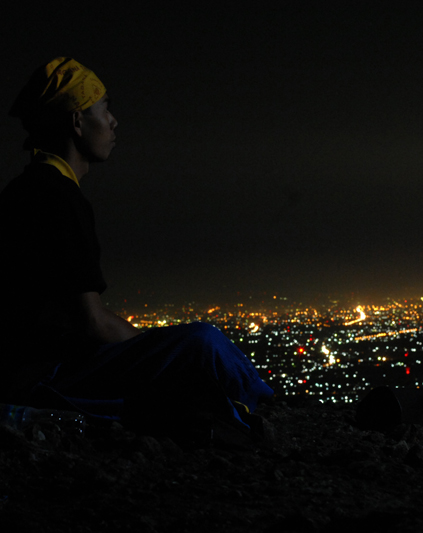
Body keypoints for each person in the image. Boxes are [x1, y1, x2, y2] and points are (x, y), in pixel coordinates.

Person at [0, 58, 273, 438]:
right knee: (202, 341)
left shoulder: (26, 190)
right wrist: (154, 347)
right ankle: (260, 409)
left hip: (31, 373)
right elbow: (91, 321)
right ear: (77, 122)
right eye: (104, 109)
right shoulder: (57, 198)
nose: (113, 122)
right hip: (47, 377)